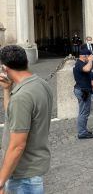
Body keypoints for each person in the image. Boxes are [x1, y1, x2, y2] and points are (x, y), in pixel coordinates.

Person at [0, 45, 53, 193]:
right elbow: (13, 114)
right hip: (33, 169)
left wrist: (1, 181)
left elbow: (17, 146)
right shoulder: (41, 84)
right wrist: (7, 90)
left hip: (22, 175)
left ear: (5, 68)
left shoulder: (22, 97)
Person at [73, 45, 93, 139]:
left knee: (84, 111)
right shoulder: (80, 64)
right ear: (84, 56)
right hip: (82, 90)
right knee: (83, 112)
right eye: (88, 57)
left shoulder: (80, 62)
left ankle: (83, 129)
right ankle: (82, 132)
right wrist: (90, 60)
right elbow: (87, 69)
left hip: (83, 89)